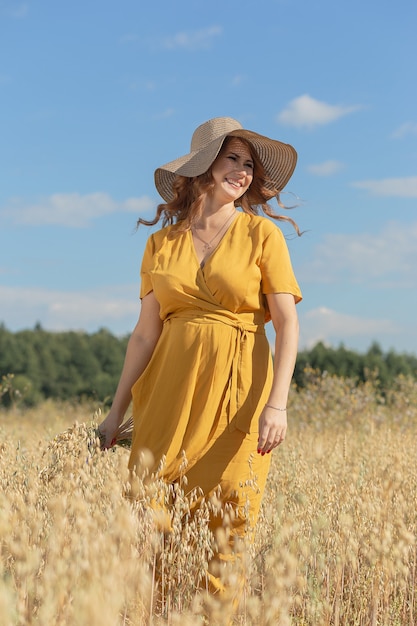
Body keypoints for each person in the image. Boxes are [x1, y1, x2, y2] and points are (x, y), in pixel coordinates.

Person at [98, 116, 302, 590]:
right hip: (167, 397)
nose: (243, 171)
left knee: (229, 523)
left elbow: (288, 324)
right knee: (154, 524)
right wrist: (115, 414)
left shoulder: (261, 236)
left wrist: (278, 404)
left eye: (249, 164)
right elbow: (144, 337)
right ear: (204, 167)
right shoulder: (159, 244)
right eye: (232, 158)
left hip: (239, 397)